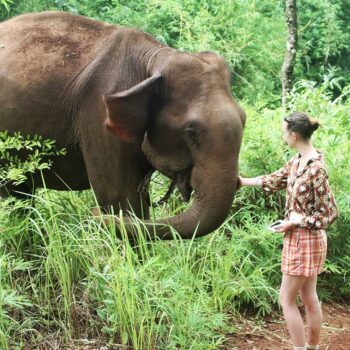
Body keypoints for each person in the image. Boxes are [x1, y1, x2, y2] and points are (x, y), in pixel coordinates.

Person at [239, 112, 339, 350]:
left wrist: (296, 221)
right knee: (307, 296)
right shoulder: (297, 162)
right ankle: (311, 347)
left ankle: (301, 348)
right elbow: (274, 179)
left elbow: (330, 214)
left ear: (293, 135)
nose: (283, 137)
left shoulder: (316, 169)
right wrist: (242, 182)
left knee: (286, 299)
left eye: (284, 132)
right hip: (302, 239)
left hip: (305, 240)